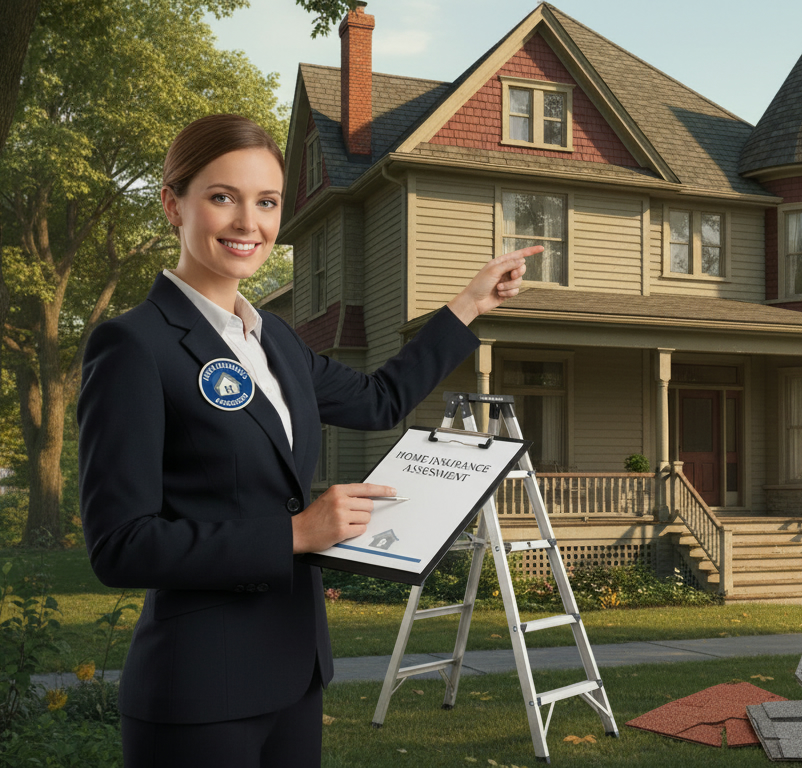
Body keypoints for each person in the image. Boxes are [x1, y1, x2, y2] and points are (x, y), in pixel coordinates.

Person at [77, 113, 535, 767]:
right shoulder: (134, 345)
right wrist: (295, 533)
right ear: (173, 204)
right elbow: (120, 547)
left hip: (294, 678)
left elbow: (380, 401)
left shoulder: (278, 341)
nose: (248, 222)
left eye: (266, 202)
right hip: (198, 694)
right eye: (222, 197)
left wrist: (466, 305)